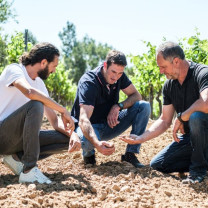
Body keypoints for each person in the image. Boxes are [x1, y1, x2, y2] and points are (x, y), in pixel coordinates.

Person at [120, 41, 208, 183]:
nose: (161, 71)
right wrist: (141, 138)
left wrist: (181, 117)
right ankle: (202, 159)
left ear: (176, 61)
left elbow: (206, 103)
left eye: (163, 67)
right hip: (193, 140)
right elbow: (164, 120)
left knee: (196, 116)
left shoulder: (202, 73)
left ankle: (197, 171)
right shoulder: (169, 85)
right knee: (158, 164)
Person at [0, 42, 81, 184]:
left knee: (67, 140)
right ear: (44, 62)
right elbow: (29, 92)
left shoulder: (40, 85)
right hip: (2, 135)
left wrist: (72, 134)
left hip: (16, 141)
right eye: (54, 66)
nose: (54, 71)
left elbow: (54, 122)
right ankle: (29, 170)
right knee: (36, 104)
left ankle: (16, 158)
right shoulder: (14, 70)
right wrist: (62, 109)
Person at [71, 50, 150, 167]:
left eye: (120, 73)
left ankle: (130, 154)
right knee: (87, 141)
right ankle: (89, 154)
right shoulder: (89, 82)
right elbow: (83, 119)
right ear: (105, 65)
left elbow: (136, 96)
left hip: (110, 124)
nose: (115, 77)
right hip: (90, 127)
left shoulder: (119, 76)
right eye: (113, 72)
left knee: (144, 106)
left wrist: (118, 106)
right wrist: (97, 144)